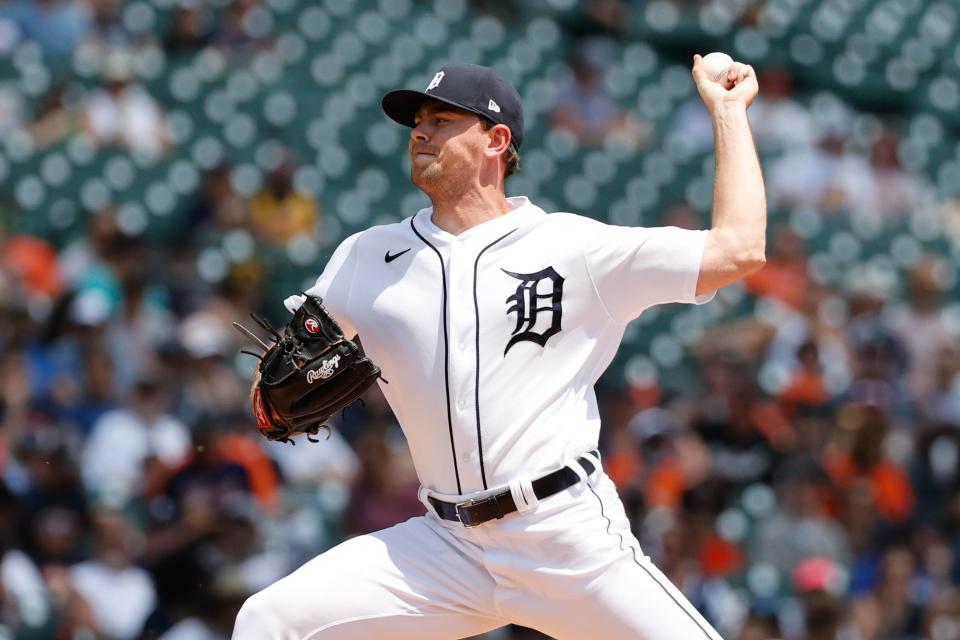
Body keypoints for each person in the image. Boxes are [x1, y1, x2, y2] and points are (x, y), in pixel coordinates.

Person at [233, 58, 766, 639]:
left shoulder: (573, 247)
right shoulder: (368, 257)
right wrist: (271, 395)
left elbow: (739, 248)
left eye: (441, 120)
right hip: (444, 546)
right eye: (417, 121)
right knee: (267, 621)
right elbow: (275, 388)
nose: (420, 132)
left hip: (564, 537)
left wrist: (729, 112)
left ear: (497, 140)